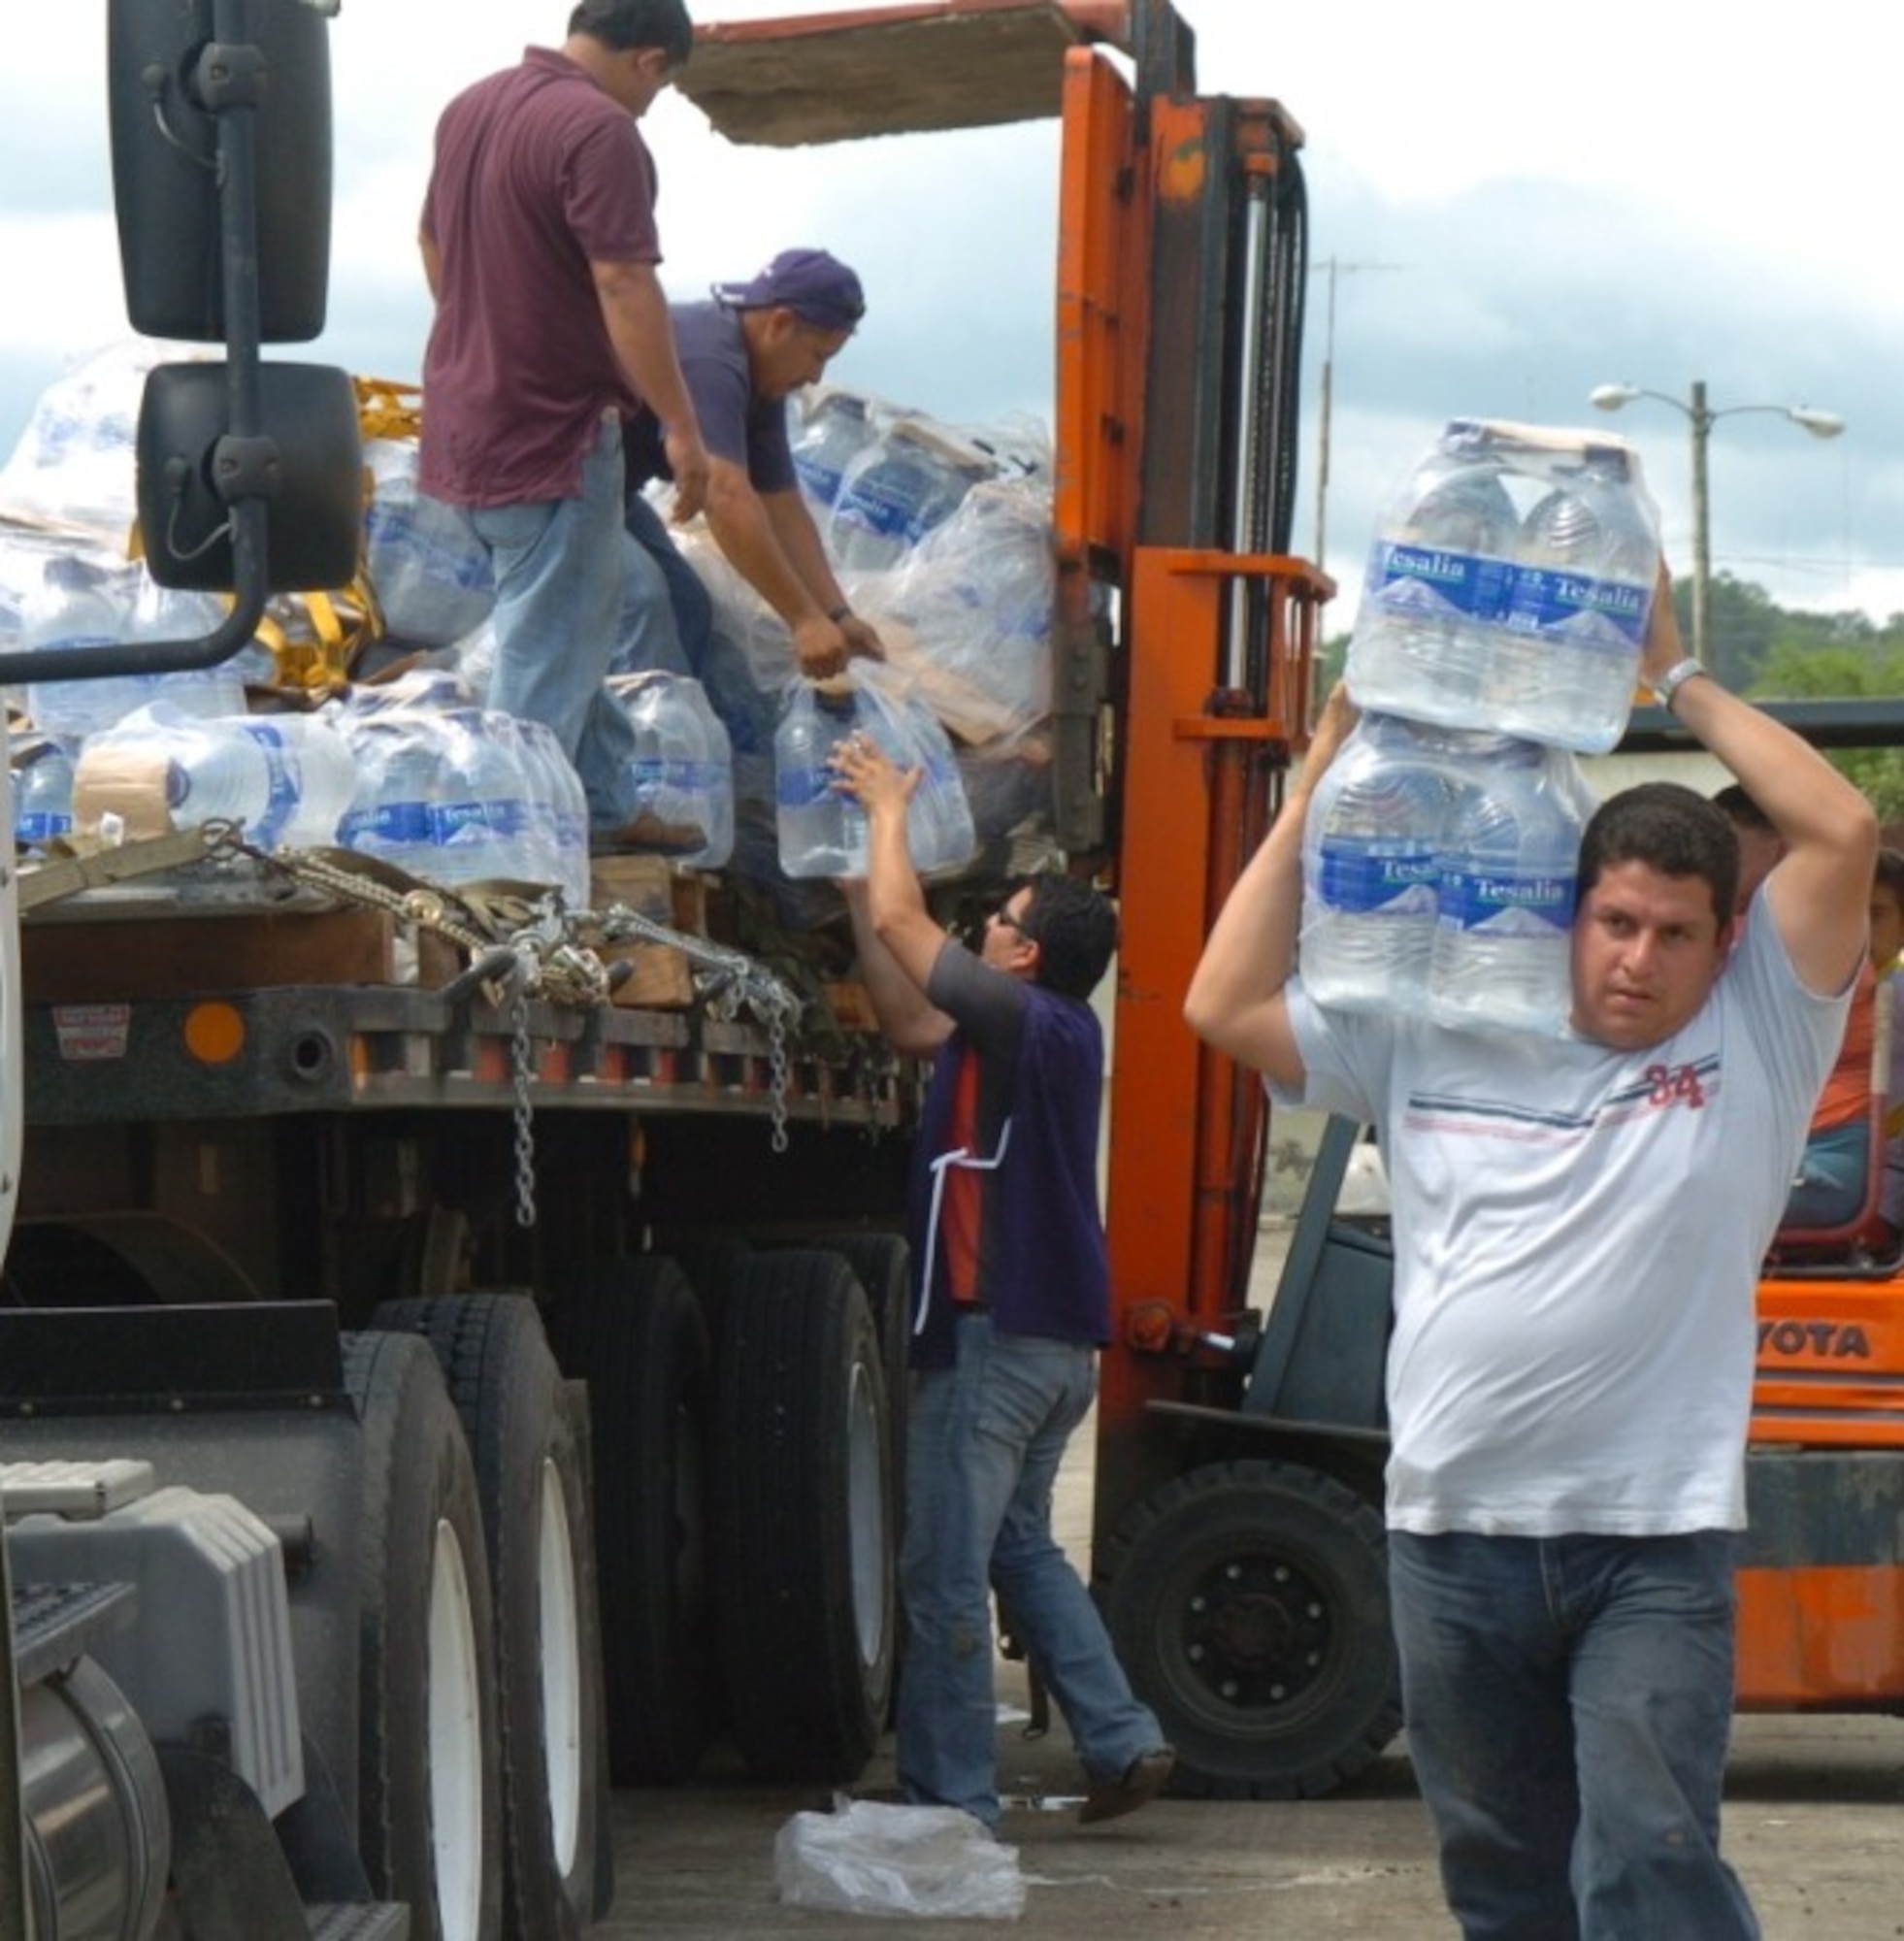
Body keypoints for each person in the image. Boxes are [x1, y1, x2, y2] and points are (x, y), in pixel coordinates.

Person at [1183, 576, 1876, 1940]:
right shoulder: (1434, 1027)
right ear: (1566, 913)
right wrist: (1323, 770)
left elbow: (1840, 825)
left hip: (1649, 1543)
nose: (1638, 961)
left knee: (1646, 1870)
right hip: (1449, 1536)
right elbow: (1219, 1000)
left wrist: (1672, 677)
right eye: (1614, 923)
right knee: (1500, 1888)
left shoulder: (1751, 1039)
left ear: (1721, 943)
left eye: (1676, 935)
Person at [829, 733, 1173, 1833]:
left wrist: (888, 812)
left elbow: (905, 926)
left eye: (1003, 921)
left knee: (941, 1574)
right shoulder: (1033, 1030)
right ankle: (1123, 1740)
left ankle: (952, 1795)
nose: (987, 925)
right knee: (1019, 1545)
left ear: (1021, 958)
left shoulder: (1033, 1022)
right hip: (1046, 1350)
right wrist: (854, 883)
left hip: (993, 1343)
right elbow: (907, 1012)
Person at [416, 0, 711, 845]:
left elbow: (431, 243)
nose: (649, 105)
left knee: (571, 627)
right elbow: (624, 284)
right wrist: (680, 426)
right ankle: (508, 856)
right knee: (546, 661)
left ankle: (607, 806)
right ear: (650, 61)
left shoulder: (471, 106)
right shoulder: (601, 129)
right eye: (658, 88)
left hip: (467, 421)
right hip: (553, 430)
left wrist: (488, 336)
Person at [623, 247, 886, 721]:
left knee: (685, 603)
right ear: (780, 323)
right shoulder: (712, 359)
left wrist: (837, 616)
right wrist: (802, 620)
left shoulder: (759, 378)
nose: (815, 376)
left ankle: (668, 755)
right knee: (642, 599)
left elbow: (781, 505)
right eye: (818, 354)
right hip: (545, 472)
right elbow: (724, 496)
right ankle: (631, 766)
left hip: (610, 492)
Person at [1716, 783, 1877, 1232]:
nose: (1712, 866)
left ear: (1785, 851)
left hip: (1827, 1156)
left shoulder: (1812, 932)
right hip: (1744, 1147)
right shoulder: (1721, 923)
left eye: (1728, 850)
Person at [1871, 845, 1904, 1239]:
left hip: (1889, 1172)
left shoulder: (1896, 990)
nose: (1860, 928)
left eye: (1876, 915)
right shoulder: (1826, 997)